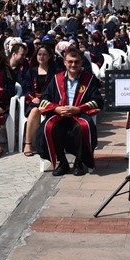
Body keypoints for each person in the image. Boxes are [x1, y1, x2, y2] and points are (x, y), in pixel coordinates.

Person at [36, 47, 102, 176]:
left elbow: (97, 100)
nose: (73, 65)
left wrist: (78, 109)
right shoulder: (56, 79)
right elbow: (44, 98)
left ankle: (79, 161)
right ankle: (63, 162)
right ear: (64, 63)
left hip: (79, 114)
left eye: (76, 62)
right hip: (59, 114)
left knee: (84, 126)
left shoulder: (89, 80)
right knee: (50, 127)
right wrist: (56, 108)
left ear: (82, 62)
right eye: (70, 62)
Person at [20, 44, 58, 157]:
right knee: (35, 111)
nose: (42, 57)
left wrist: (45, 99)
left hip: (50, 101)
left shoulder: (55, 72)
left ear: (50, 56)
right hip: (34, 101)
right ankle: (28, 143)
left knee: (40, 110)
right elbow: (26, 89)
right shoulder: (31, 72)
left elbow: (57, 89)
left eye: (45, 54)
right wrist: (33, 98)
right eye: (39, 54)